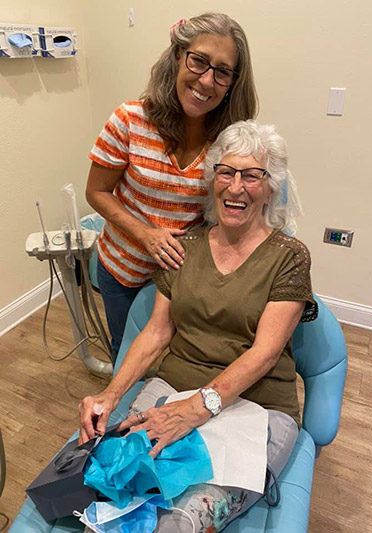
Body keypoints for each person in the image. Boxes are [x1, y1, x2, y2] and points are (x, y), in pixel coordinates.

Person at [79, 120, 318, 532]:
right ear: (212, 181)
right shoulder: (184, 246)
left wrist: (196, 409)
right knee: (115, 492)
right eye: (225, 172)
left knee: (178, 522)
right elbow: (156, 333)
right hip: (172, 388)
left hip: (258, 406)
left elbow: (264, 354)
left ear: (272, 187)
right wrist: (109, 393)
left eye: (252, 175)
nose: (236, 187)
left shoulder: (290, 257)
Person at [85, 13, 258, 361]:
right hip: (122, 270)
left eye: (222, 71)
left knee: (178, 358)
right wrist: (147, 234)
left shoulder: (228, 142)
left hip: (184, 279)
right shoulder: (129, 121)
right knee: (127, 353)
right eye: (198, 61)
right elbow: (96, 192)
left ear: (232, 83)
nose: (207, 81)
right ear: (178, 57)